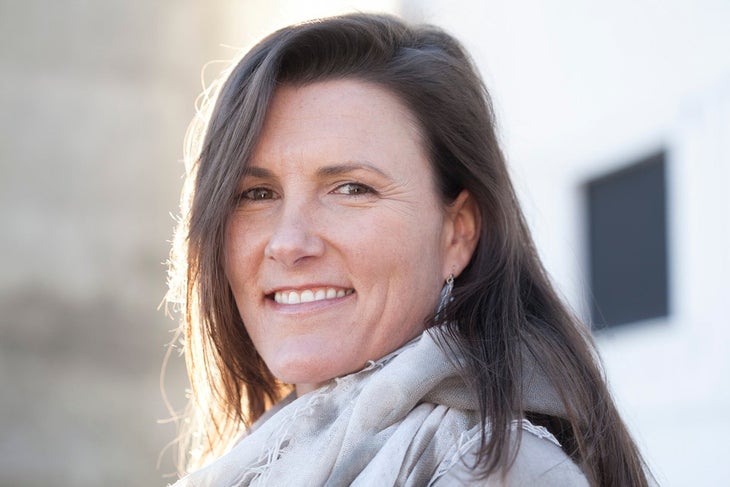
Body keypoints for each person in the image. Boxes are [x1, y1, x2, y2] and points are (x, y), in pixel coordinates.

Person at [166, 13, 652, 486]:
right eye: (256, 194)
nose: (290, 243)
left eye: (351, 188)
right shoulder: (267, 456)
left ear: (457, 232)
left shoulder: (494, 472)